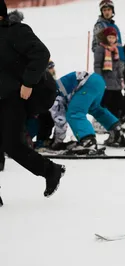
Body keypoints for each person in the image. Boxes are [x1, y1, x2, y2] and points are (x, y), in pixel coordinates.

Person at [0, 0, 64, 197]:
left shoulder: (15, 31)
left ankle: (49, 170)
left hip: (13, 98)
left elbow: (41, 53)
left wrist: (28, 83)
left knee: (12, 144)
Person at [50, 71, 125, 154]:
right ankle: (116, 132)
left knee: (74, 113)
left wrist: (57, 142)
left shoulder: (52, 96)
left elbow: (60, 120)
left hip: (87, 83)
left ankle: (88, 142)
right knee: (95, 109)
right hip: (97, 81)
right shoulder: (55, 87)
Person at [94, 27, 123, 118]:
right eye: (109, 37)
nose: (111, 40)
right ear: (105, 37)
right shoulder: (100, 48)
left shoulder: (115, 49)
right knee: (106, 103)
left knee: (118, 104)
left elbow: (118, 66)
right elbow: (97, 65)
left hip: (115, 82)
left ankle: (115, 123)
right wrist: (100, 80)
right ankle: (104, 123)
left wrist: (120, 78)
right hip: (105, 82)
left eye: (113, 38)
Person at [92, 0, 125, 65]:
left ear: (112, 11)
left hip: (120, 60)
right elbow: (96, 46)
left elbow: (118, 44)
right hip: (109, 63)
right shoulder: (100, 26)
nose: (107, 12)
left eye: (109, 9)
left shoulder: (114, 26)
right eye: (104, 10)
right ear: (102, 12)